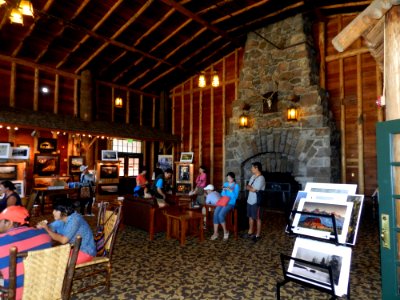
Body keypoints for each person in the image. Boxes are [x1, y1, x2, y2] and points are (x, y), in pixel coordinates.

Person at [0, 206, 52, 300]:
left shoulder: (1, 242)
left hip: (16, 295)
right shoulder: (44, 233)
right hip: (47, 289)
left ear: (9, 223)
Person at [37, 201, 96, 265]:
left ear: (65, 211)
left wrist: (47, 229)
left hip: (86, 252)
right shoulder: (62, 219)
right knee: (50, 257)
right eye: (54, 210)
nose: (53, 212)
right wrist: (42, 226)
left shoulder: (75, 220)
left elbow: (63, 240)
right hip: (74, 250)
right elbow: (51, 228)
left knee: (56, 263)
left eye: (56, 210)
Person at [210, 172, 239, 241]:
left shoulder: (236, 186)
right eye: (227, 178)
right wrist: (223, 190)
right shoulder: (225, 184)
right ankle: (215, 233)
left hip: (231, 203)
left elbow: (235, 197)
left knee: (220, 215)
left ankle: (225, 232)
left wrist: (230, 190)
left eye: (229, 178)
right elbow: (222, 194)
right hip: (223, 201)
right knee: (215, 213)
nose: (228, 179)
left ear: (233, 178)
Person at [244, 162, 266, 243]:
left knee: (258, 218)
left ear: (256, 168)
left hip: (256, 202)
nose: (251, 169)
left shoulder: (261, 178)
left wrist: (250, 188)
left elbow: (253, 189)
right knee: (250, 216)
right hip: (249, 200)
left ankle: (258, 235)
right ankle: (250, 232)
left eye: (252, 167)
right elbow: (247, 186)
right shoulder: (253, 176)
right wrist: (251, 188)